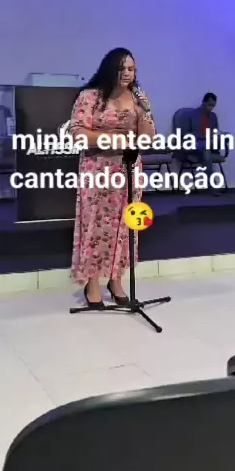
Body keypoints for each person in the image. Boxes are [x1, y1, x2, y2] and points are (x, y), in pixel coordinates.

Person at [69, 48, 155, 308]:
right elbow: (77, 133)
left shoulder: (138, 98)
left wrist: (145, 111)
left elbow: (147, 139)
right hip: (98, 169)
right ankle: (92, 282)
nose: (127, 73)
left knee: (126, 227)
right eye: (122, 68)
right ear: (110, 69)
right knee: (96, 227)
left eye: (131, 69)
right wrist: (115, 139)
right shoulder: (90, 96)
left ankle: (116, 280)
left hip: (128, 170)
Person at [189, 92, 219, 188]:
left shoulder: (213, 116)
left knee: (224, 137)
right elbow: (185, 133)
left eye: (213, 106)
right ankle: (212, 184)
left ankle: (211, 183)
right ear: (203, 102)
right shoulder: (192, 115)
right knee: (206, 151)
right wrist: (203, 136)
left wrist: (215, 134)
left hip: (210, 143)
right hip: (196, 142)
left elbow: (215, 131)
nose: (211, 108)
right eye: (209, 105)